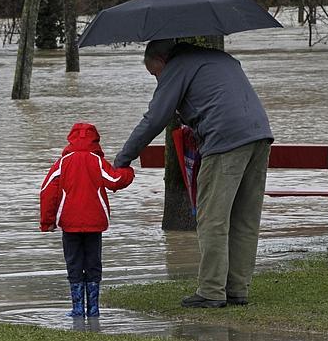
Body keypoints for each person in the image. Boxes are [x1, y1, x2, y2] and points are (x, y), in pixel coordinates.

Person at [114, 39, 273, 308]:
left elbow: (155, 118)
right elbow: (218, 99)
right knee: (245, 219)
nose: (158, 81)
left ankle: (211, 291)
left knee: (213, 219)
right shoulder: (219, 58)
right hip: (260, 135)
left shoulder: (177, 66)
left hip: (225, 142)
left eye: (155, 74)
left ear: (162, 60)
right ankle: (237, 288)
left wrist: (123, 159)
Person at [40, 123, 135, 317]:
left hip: (69, 223)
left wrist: (47, 222)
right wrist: (129, 172)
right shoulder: (97, 161)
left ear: (71, 140)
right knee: (93, 263)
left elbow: (47, 192)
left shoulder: (62, 163)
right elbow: (115, 180)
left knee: (73, 263)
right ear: (95, 141)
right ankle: (93, 309)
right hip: (95, 223)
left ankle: (76, 309)